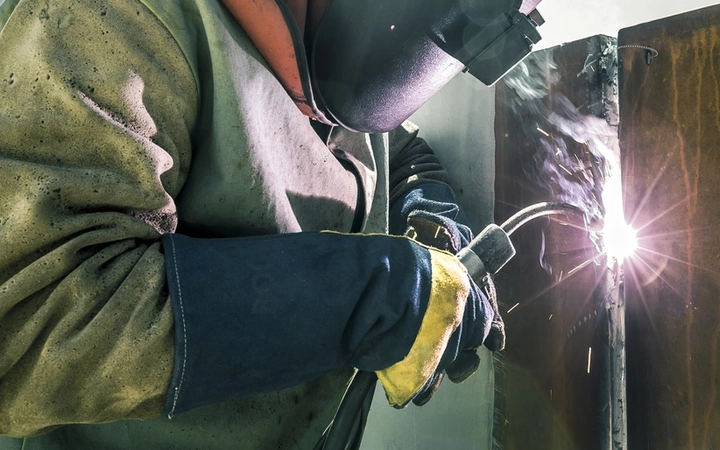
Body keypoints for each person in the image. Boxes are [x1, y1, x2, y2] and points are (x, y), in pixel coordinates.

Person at [0, 0, 541, 448]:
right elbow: (30, 322)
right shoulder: (110, 20)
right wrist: (359, 297)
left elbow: (390, 147)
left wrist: (425, 204)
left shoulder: (339, 55)